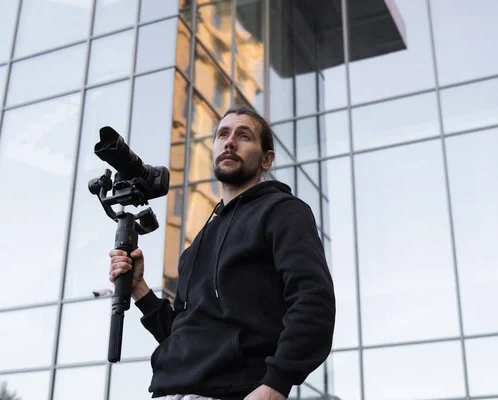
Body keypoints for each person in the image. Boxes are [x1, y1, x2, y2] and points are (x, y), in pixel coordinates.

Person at [108, 107, 336, 400]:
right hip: (169, 391)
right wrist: (140, 289)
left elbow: (314, 302)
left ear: (266, 158)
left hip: (237, 391)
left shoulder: (283, 211)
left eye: (244, 135)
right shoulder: (198, 244)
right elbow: (184, 334)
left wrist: (275, 385)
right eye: (223, 134)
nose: (230, 142)